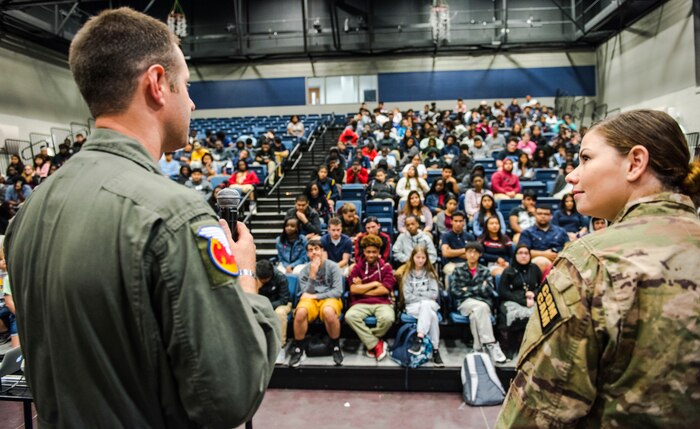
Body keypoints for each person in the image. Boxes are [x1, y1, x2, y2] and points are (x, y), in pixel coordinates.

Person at [3, 8, 279, 428]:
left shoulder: (29, 213)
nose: (191, 100)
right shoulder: (174, 215)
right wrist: (245, 275)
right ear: (156, 84)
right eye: (184, 84)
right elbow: (231, 395)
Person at [497, 109, 700, 427]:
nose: (572, 175)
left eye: (586, 158)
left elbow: (539, 411)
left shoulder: (592, 262)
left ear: (635, 162)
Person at [289, 240, 344, 368]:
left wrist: (316, 296)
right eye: (310, 250)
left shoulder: (333, 267)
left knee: (329, 312)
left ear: (322, 251)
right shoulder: (304, 270)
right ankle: (299, 348)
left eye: (316, 249)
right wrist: (312, 275)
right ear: (307, 254)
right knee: (300, 312)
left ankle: (336, 346)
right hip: (311, 300)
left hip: (329, 298)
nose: (314, 252)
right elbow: (305, 293)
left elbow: (337, 292)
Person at [449, 242, 507, 364]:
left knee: (476, 314)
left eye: (475, 252)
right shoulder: (458, 270)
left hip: (482, 303)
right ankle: (491, 344)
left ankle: (478, 348)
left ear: (480, 255)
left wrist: (467, 289)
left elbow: (488, 290)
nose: (472, 254)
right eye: (469, 251)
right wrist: (478, 289)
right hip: (465, 303)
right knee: (481, 307)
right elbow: (455, 291)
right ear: (465, 254)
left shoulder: (485, 271)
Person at [345, 234, 396, 361]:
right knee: (349, 316)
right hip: (360, 303)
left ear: (379, 252)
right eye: (368, 252)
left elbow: (385, 289)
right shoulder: (357, 268)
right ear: (363, 251)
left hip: (382, 302)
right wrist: (374, 284)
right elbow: (353, 289)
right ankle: (376, 344)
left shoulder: (386, 268)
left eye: (374, 252)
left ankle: (370, 342)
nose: (371, 255)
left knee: (388, 318)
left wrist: (362, 288)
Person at [401, 245, 443, 366]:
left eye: (423, 257)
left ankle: (419, 338)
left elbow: (434, 294)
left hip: (429, 304)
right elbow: (407, 297)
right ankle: (435, 350)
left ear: (427, 258)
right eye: (418, 257)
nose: (420, 260)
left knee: (426, 305)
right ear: (413, 257)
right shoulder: (407, 273)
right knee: (433, 316)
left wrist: (418, 294)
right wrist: (425, 295)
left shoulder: (430, 273)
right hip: (413, 306)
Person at [496, 244, 540, 356]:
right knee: (508, 316)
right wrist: (523, 301)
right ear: (515, 255)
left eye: (526, 253)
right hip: (511, 300)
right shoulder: (508, 271)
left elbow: (541, 286)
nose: (523, 256)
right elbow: (503, 292)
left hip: (531, 300)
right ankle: (509, 349)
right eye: (520, 253)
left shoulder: (534, 268)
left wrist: (534, 294)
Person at [256, 259, 291, 364]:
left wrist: (266, 306)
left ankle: (280, 346)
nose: (262, 281)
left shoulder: (280, 277)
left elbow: (284, 299)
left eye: (264, 280)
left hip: (280, 303)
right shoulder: (254, 277)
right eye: (260, 279)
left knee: (279, 313)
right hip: (262, 303)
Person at [518, 203, 570, 272]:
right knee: (541, 262)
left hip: (559, 259)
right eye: (539, 214)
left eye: (546, 214)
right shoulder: (527, 232)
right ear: (535, 215)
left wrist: (559, 256)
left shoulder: (561, 231)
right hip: (537, 262)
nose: (543, 216)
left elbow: (569, 248)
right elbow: (523, 252)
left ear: (551, 216)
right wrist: (544, 254)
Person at [440, 210, 476, 289]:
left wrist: (452, 251)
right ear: (451, 221)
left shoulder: (470, 236)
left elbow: (472, 256)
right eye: (456, 221)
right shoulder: (446, 236)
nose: (458, 224)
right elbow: (445, 253)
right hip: (451, 264)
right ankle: (450, 298)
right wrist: (465, 250)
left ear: (464, 222)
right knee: (452, 273)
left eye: (460, 221)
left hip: (468, 264)